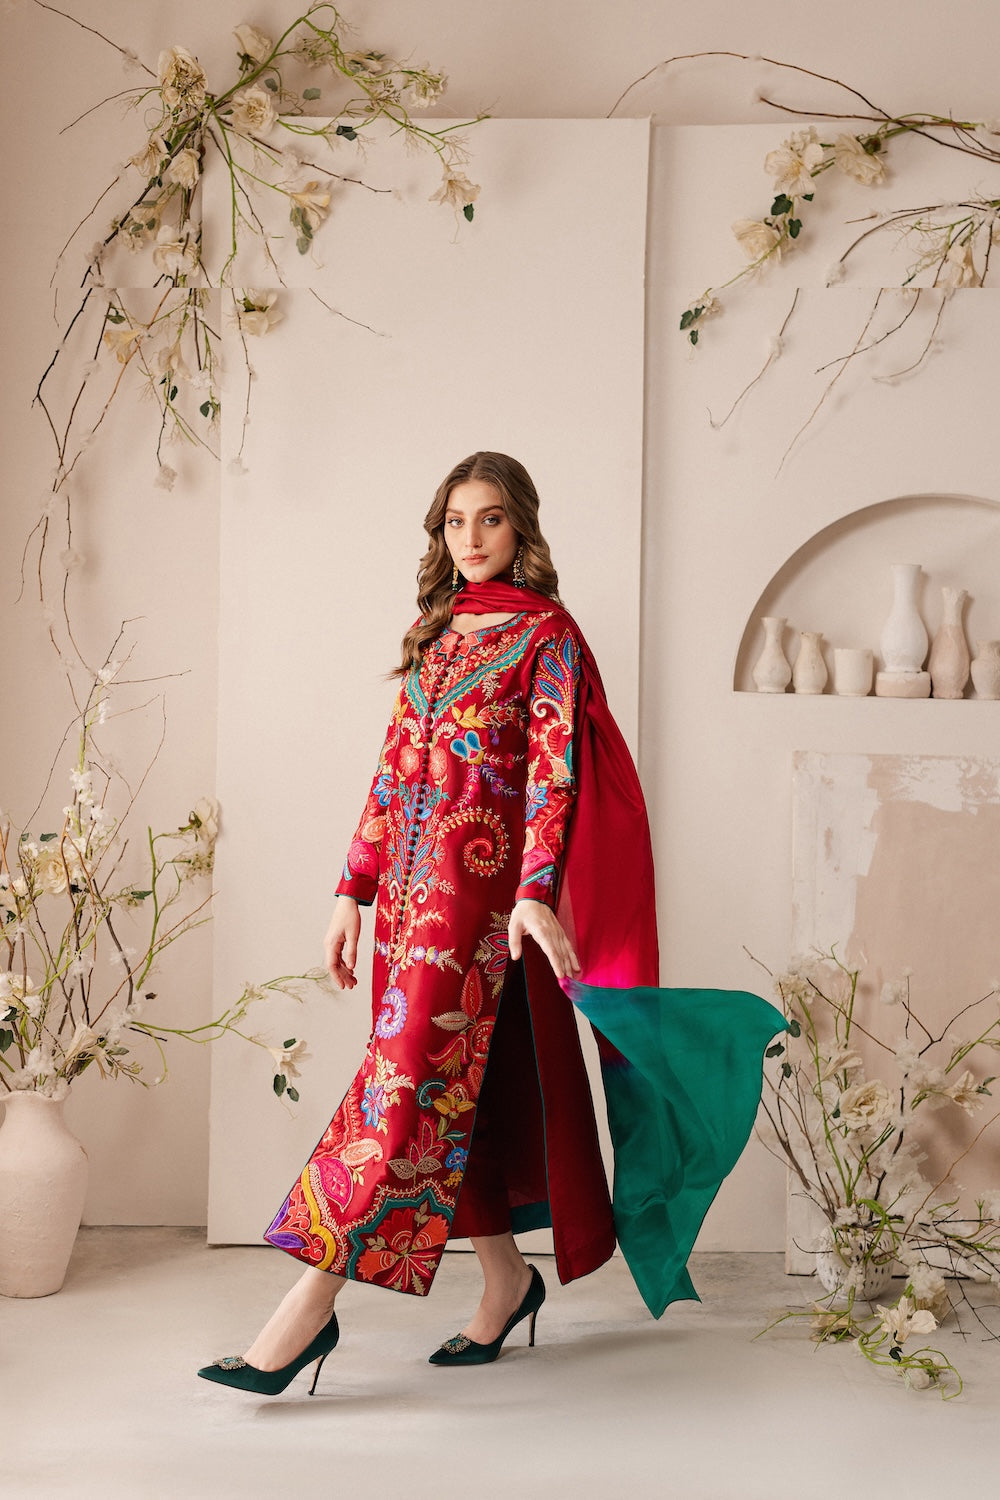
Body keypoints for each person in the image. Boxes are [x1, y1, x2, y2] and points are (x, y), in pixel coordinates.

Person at [198, 452, 786, 1395]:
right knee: (455, 1096)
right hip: (409, 908)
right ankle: (509, 1283)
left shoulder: (548, 636)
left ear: (522, 529)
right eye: (455, 522)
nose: (470, 539)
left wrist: (536, 891)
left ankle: (305, 1313)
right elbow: (395, 769)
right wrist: (351, 891)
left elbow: (557, 772)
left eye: (491, 519)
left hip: (485, 913)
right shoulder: (434, 634)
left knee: (401, 1095)